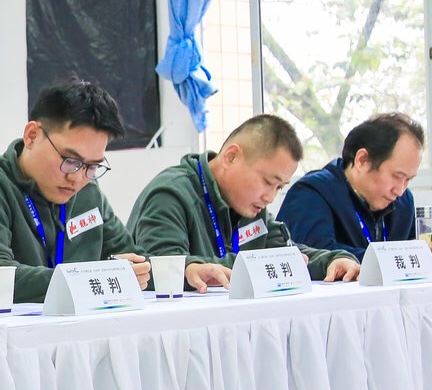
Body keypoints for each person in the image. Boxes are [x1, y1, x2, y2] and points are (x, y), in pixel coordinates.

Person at [0, 80, 233, 300]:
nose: (77, 177)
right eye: (70, 160)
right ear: (32, 135)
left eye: (92, 166)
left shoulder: (87, 192)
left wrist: (184, 271)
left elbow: (132, 260)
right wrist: (93, 280)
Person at [128, 113, 362, 284]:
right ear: (231, 157)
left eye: (279, 187)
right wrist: (262, 264)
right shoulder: (170, 194)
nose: (270, 197)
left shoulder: (250, 206)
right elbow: (163, 271)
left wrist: (331, 261)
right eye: (267, 182)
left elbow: (286, 254)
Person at [277, 111, 432, 264]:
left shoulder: (403, 202)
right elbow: (315, 256)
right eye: (396, 176)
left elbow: (412, 252)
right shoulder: (311, 194)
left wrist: (431, 254)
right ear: (362, 160)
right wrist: (404, 257)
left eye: (408, 180)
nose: (400, 190)